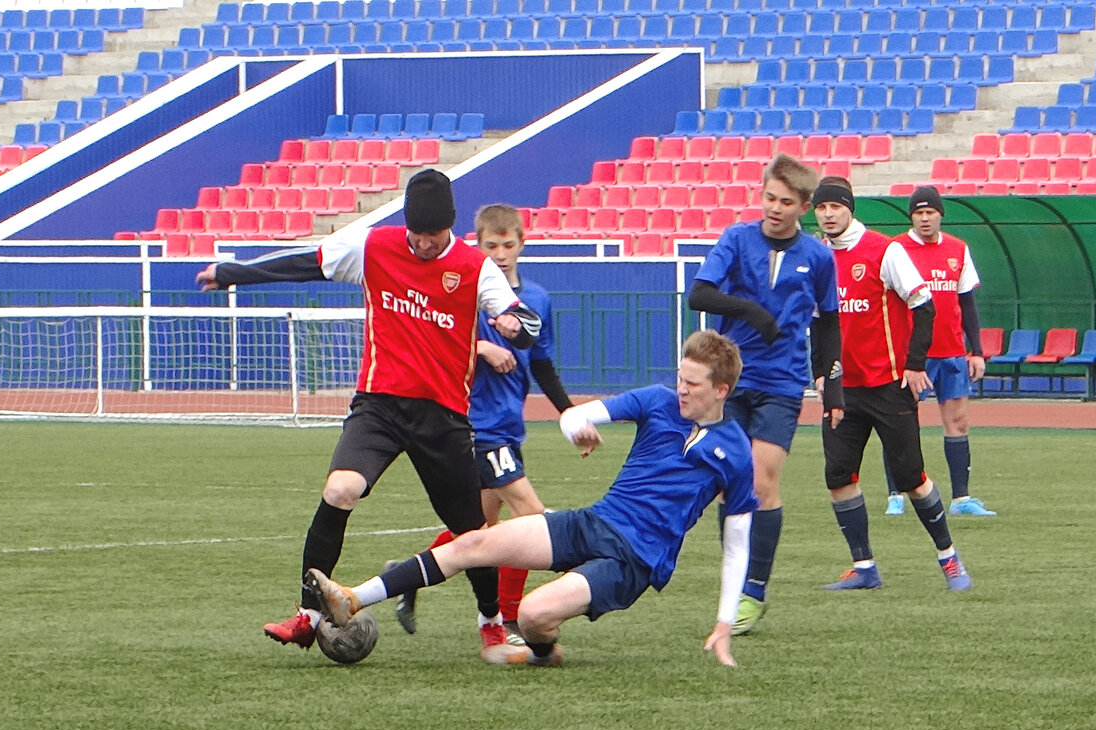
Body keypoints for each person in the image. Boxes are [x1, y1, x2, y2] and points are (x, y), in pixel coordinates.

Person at [194, 169, 542, 654]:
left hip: (442, 416)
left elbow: (527, 325)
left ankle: (490, 622)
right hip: (378, 405)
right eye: (416, 233)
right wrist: (234, 273)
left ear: (451, 226)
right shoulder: (373, 247)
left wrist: (511, 323)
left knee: (470, 530)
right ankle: (308, 615)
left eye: (433, 235)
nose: (422, 243)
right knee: (341, 489)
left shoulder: (474, 267)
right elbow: (306, 263)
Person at [304, 330, 757, 668]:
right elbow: (578, 414)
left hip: (634, 561)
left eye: (693, 384)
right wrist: (576, 424)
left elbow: (736, 543)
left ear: (721, 390)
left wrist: (723, 624)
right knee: (473, 543)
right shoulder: (657, 401)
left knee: (534, 615)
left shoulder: (736, 452)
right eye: (680, 378)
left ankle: (543, 654)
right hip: (593, 521)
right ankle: (353, 598)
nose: (681, 389)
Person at [393, 203, 575, 645]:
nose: (500, 253)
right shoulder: (466, 294)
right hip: (477, 426)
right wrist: (481, 347)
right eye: (490, 245)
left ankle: (405, 577)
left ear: (522, 245)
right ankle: (507, 619)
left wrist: (569, 411)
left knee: (475, 532)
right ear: (478, 246)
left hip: (509, 426)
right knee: (530, 519)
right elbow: (436, 345)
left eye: (508, 245)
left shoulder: (537, 300)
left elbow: (544, 365)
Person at [687, 153, 843, 635]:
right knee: (729, 484)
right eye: (769, 197)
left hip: (781, 383)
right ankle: (733, 588)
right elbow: (700, 294)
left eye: (786, 202)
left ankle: (754, 592)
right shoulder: (736, 239)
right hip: (729, 382)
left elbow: (830, 320)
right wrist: (752, 313)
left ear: (804, 206)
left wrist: (831, 384)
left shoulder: (817, 257)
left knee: (760, 481)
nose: (774, 208)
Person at [811, 176, 971, 592]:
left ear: (850, 208)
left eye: (835, 207)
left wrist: (915, 364)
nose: (827, 214)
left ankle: (948, 557)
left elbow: (925, 306)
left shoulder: (885, 250)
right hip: (842, 389)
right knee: (838, 475)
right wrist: (820, 373)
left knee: (911, 476)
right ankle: (864, 565)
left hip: (889, 385)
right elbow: (819, 323)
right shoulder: (814, 257)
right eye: (821, 208)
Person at [883, 186, 996, 517]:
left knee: (958, 421)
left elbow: (967, 303)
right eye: (918, 213)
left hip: (951, 351)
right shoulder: (895, 250)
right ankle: (896, 494)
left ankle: (961, 499)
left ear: (940, 214)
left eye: (929, 212)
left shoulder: (958, 250)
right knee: (899, 424)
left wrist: (976, 351)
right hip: (911, 357)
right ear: (911, 217)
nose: (924, 218)